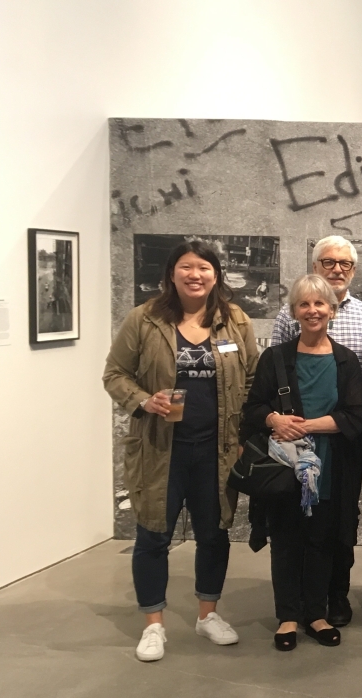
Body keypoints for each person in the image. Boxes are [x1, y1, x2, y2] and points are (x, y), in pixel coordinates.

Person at [102, 240, 259, 662]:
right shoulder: (145, 319)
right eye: (187, 267)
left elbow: (251, 377)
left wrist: (244, 429)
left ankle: (207, 615)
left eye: (204, 268)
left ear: (215, 275)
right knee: (153, 535)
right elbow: (114, 374)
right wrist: (141, 399)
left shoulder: (234, 320)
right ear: (171, 274)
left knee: (214, 534)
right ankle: (154, 625)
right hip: (160, 448)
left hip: (217, 450)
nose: (196, 275)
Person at [242, 275, 362, 651]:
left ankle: (316, 614)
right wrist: (274, 420)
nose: (312, 311)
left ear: (331, 309)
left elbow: (356, 416)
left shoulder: (346, 362)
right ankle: (288, 618)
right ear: (294, 311)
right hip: (284, 471)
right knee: (285, 542)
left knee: (321, 543)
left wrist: (306, 426)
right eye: (304, 304)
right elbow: (253, 408)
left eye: (320, 304)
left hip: (331, 469)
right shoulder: (275, 358)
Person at [270, 235, 362, 628]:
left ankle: (335, 598)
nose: (336, 269)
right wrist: (282, 423)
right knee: (293, 525)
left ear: (353, 269)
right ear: (316, 267)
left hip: (343, 441)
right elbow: (280, 373)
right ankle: (293, 607)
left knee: (339, 524)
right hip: (292, 447)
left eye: (344, 263)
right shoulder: (286, 317)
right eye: (328, 262)